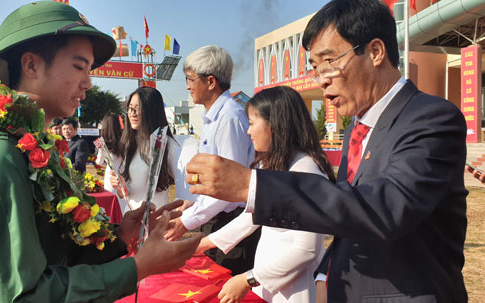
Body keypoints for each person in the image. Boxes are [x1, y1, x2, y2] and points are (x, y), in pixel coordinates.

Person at [185, 0, 468, 301]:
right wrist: (325, 273)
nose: (321, 80)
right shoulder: (357, 131)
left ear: (374, 52)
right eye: (314, 69)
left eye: (329, 63)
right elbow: (346, 214)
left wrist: (250, 185)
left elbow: (385, 208)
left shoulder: (431, 118)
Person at [0, 2, 200, 302]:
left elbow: (52, 253)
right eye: (79, 66)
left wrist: (120, 237)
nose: (88, 82)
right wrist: (138, 267)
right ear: (31, 66)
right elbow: (25, 294)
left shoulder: (32, 147)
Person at [196, 86, 334, 303]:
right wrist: (203, 244)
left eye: (251, 123)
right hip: (268, 281)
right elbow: (252, 216)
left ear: (275, 126)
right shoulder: (274, 164)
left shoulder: (305, 170)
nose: (248, 132)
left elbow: (306, 249)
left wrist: (248, 279)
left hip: (294, 289)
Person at [164, 45, 256, 275]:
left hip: (232, 224)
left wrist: (187, 222)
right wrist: (194, 205)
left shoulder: (229, 118)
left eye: (190, 79)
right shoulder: (213, 117)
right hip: (218, 219)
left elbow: (228, 187)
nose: (187, 86)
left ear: (211, 82)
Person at [112, 86, 176, 210]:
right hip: (130, 219)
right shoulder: (130, 145)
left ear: (152, 110)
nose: (132, 113)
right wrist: (122, 188)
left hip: (154, 221)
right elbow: (128, 192)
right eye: (130, 108)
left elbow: (187, 192)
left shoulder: (168, 146)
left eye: (138, 108)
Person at [95, 113, 127, 212]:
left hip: (110, 176)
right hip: (124, 175)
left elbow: (99, 162)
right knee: (123, 204)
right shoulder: (125, 140)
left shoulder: (101, 142)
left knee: (111, 204)